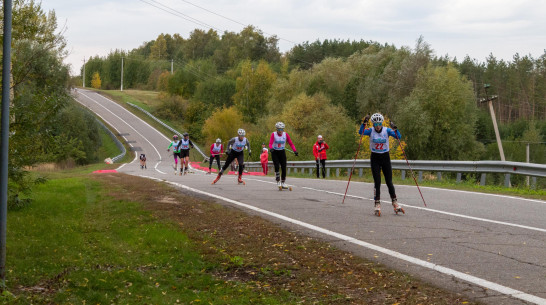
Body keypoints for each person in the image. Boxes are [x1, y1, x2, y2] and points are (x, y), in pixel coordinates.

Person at [359, 113, 404, 216]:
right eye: (375, 124)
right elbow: (361, 132)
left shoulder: (386, 130)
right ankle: (377, 203)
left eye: (379, 123)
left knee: (389, 181)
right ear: (373, 124)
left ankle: (395, 202)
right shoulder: (371, 130)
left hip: (385, 157)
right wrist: (364, 123)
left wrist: (395, 129)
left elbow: (398, 137)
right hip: (375, 158)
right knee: (377, 182)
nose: (377, 126)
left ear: (382, 123)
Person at [269, 122, 298, 189]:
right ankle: (278, 180)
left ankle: (283, 182)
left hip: (282, 152)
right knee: (276, 166)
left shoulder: (286, 135)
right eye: (279, 129)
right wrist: (271, 149)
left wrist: (295, 151)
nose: (280, 131)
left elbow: (291, 143)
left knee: (284, 167)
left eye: (282, 129)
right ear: (277, 129)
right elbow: (270, 143)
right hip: (275, 152)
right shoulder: (273, 134)